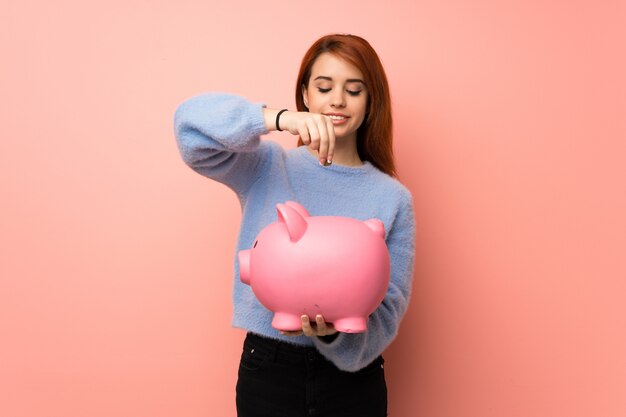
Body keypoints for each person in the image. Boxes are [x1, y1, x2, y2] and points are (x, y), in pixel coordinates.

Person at [174, 33, 415, 417]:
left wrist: (334, 335)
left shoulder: (392, 197)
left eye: (354, 90)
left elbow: (389, 310)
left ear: (371, 103)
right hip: (269, 369)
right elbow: (190, 129)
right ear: (305, 93)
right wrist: (277, 118)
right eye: (324, 87)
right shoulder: (266, 165)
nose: (337, 99)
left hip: (352, 381)